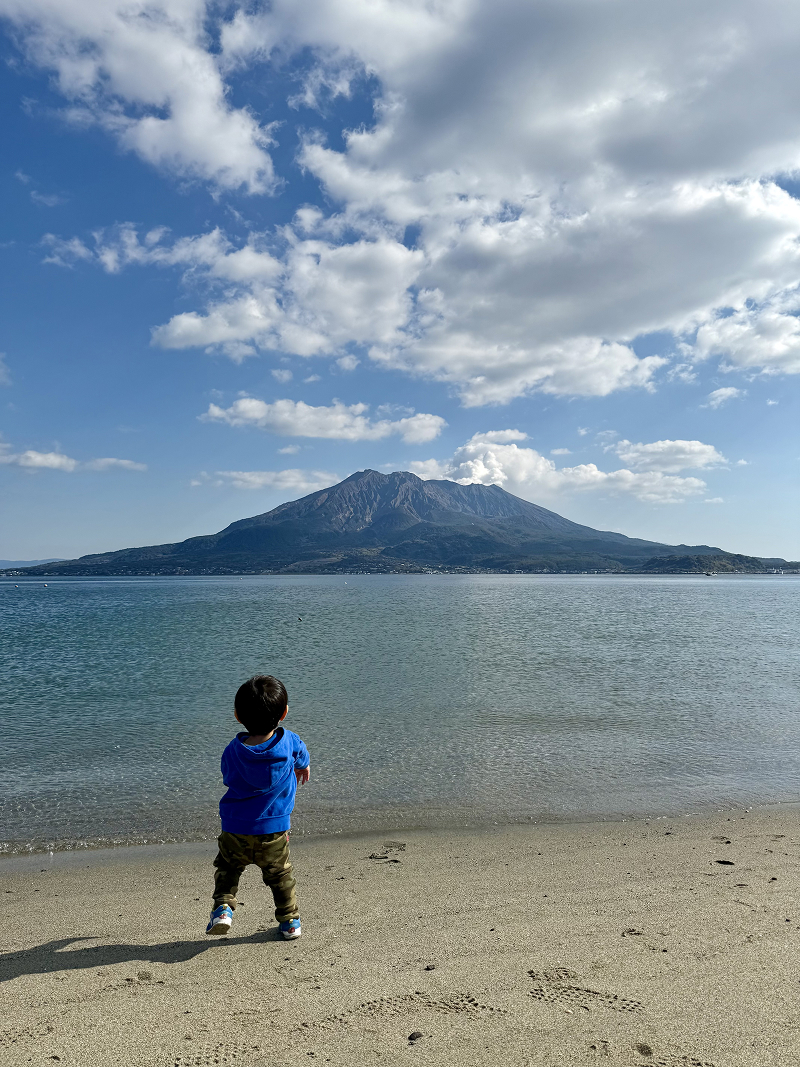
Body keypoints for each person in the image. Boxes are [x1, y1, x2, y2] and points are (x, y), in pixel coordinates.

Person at [206, 674, 310, 940]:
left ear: (238, 716)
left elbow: (227, 777)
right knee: (280, 876)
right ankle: (290, 923)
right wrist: (303, 766)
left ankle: (223, 909)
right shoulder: (290, 742)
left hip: (235, 827)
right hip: (274, 829)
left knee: (228, 869)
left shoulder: (233, 750)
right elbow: (302, 755)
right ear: (284, 713)